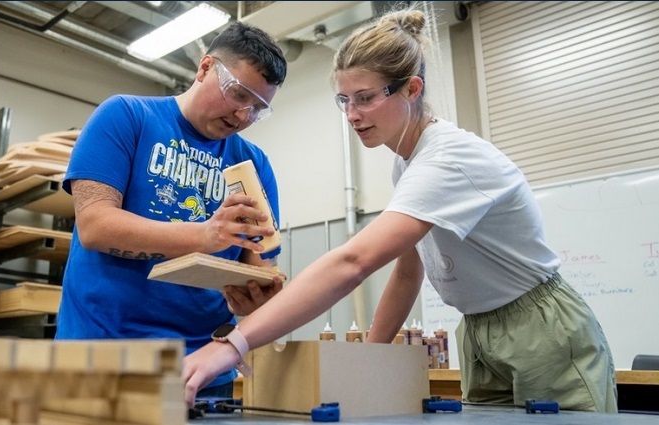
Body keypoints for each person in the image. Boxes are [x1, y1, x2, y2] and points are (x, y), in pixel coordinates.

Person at [182, 8, 618, 413]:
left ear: (412, 88)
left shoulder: (447, 158)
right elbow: (408, 273)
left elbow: (354, 261)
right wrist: (365, 362)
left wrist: (232, 344)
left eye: (366, 98)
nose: (352, 115)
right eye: (344, 100)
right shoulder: (406, 164)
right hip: (479, 330)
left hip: (540, 326)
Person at [56, 22, 289, 398]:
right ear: (205, 68)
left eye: (257, 108)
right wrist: (205, 235)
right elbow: (95, 225)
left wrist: (259, 296)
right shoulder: (125, 116)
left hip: (203, 370)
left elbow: (260, 264)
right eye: (238, 94)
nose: (243, 115)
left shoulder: (254, 164)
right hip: (102, 357)